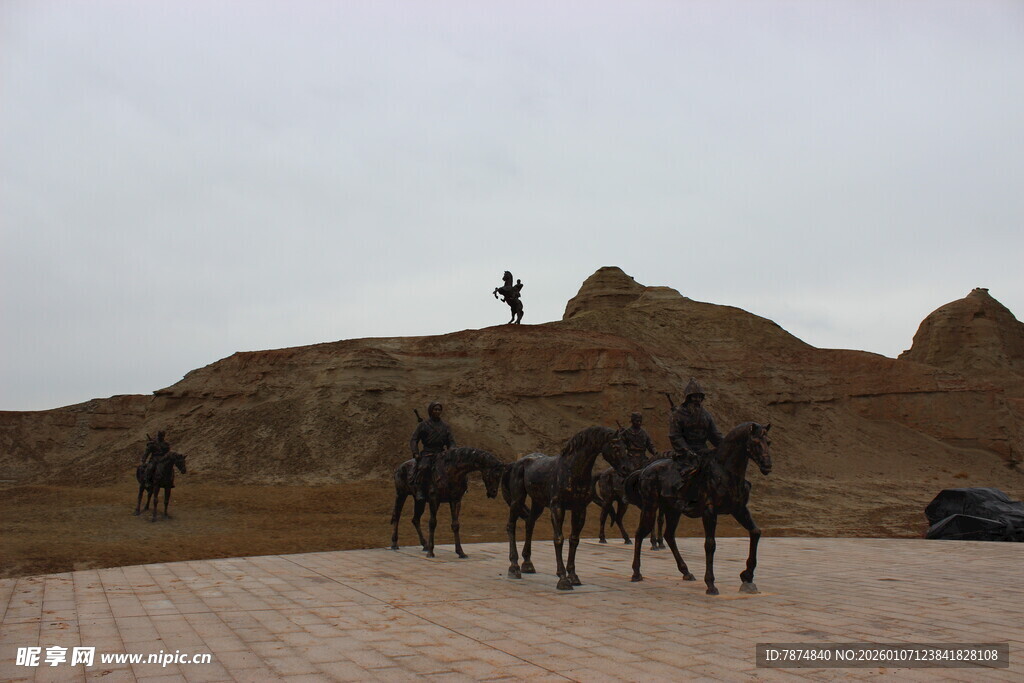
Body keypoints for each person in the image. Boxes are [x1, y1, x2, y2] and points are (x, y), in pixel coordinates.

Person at [409, 402, 457, 502]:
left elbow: (451, 441)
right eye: (435, 409)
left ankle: (456, 490)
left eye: (439, 409)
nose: (437, 411)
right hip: (427, 453)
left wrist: (452, 449)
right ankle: (419, 490)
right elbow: (414, 439)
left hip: (441, 453)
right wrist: (415, 452)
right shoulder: (423, 425)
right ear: (431, 411)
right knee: (423, 467)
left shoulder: (446, 426)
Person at [668, 379, 723, 461]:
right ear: (688, 398)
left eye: (699, 397)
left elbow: (714, 435)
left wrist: (727, 444)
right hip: (684, 454)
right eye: (694, 397)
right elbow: (675, 436)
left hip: (703, 452)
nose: (697, 399)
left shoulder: (706, 416)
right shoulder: (678, 415)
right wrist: (686, 451)